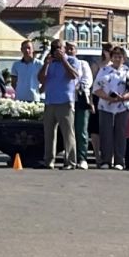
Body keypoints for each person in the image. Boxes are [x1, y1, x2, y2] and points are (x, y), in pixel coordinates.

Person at [92, 46, 129, 170]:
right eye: (115, 56)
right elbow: (96, 88)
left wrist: (123, 98)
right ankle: (106, 160)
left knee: (121, 133)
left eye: (120, 56)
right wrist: (109, 98)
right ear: (111, 57)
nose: (117, 58)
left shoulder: (128, 72)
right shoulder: (104, 70)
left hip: (123, 107)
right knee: (105, 133)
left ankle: (119, 160)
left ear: (124, 58)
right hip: (105, 106)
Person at [38, 40, 82, 170]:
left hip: (65, 102)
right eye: (53, 48)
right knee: (49, 133)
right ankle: (48, 161)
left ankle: (70, 162)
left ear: (64, 49)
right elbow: (41, 79)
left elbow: (73, 76)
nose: (56, 50)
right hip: (50, 101)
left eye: (59, 48)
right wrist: (46, 64)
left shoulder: (73, 60)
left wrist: (64, 60)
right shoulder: (49, 62)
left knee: (68, 134)